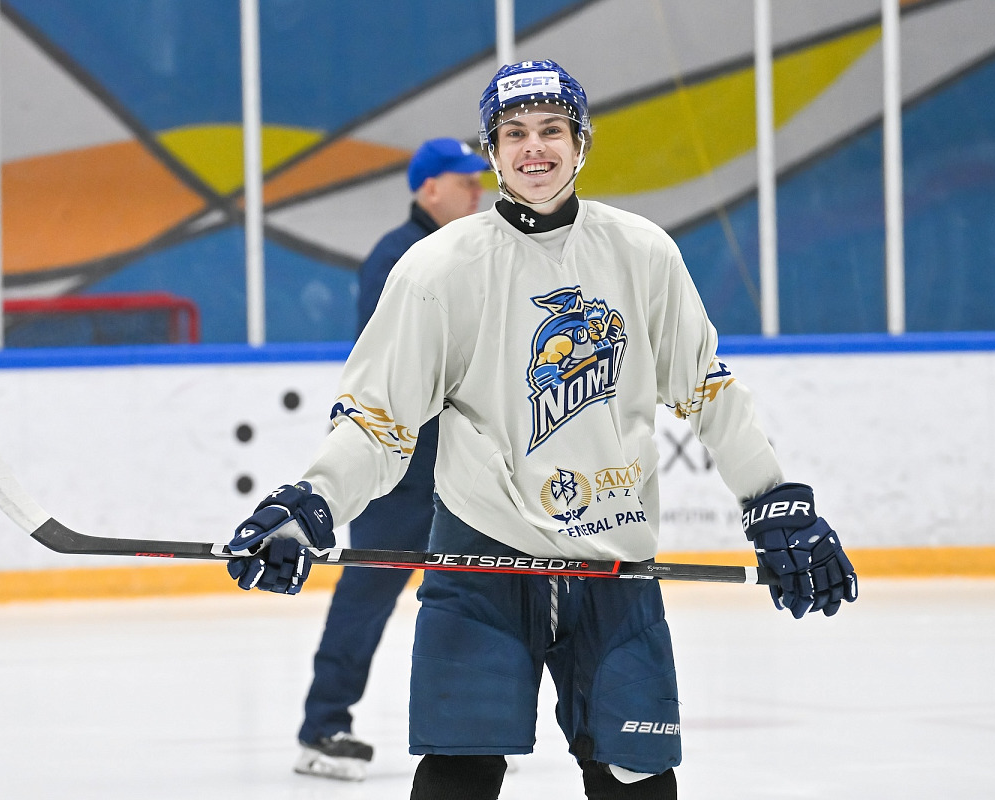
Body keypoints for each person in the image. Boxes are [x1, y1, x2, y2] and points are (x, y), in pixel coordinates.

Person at [225, 60, 858, 800]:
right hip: (482, 565)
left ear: (580, 142)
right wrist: (314, 501)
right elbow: (377, 423)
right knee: (459, 773)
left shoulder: (642, 252)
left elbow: (708, 390)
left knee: (638, 780)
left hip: (614, 566)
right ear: (493, 151)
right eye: (515, 132)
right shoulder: (437, 270)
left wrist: (774, 499)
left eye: (552, 129)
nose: (535, 147)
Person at [292, 137, 489, 781]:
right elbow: (400, 366)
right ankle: (323, 727)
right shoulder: (397, 257)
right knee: (369, 590)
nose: (477, 191)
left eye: (477, 180)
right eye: (464, 181)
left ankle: (470, 730)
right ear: (428, 188)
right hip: (401, 465)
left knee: (472, 593)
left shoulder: (471, 250)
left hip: (458, 463)